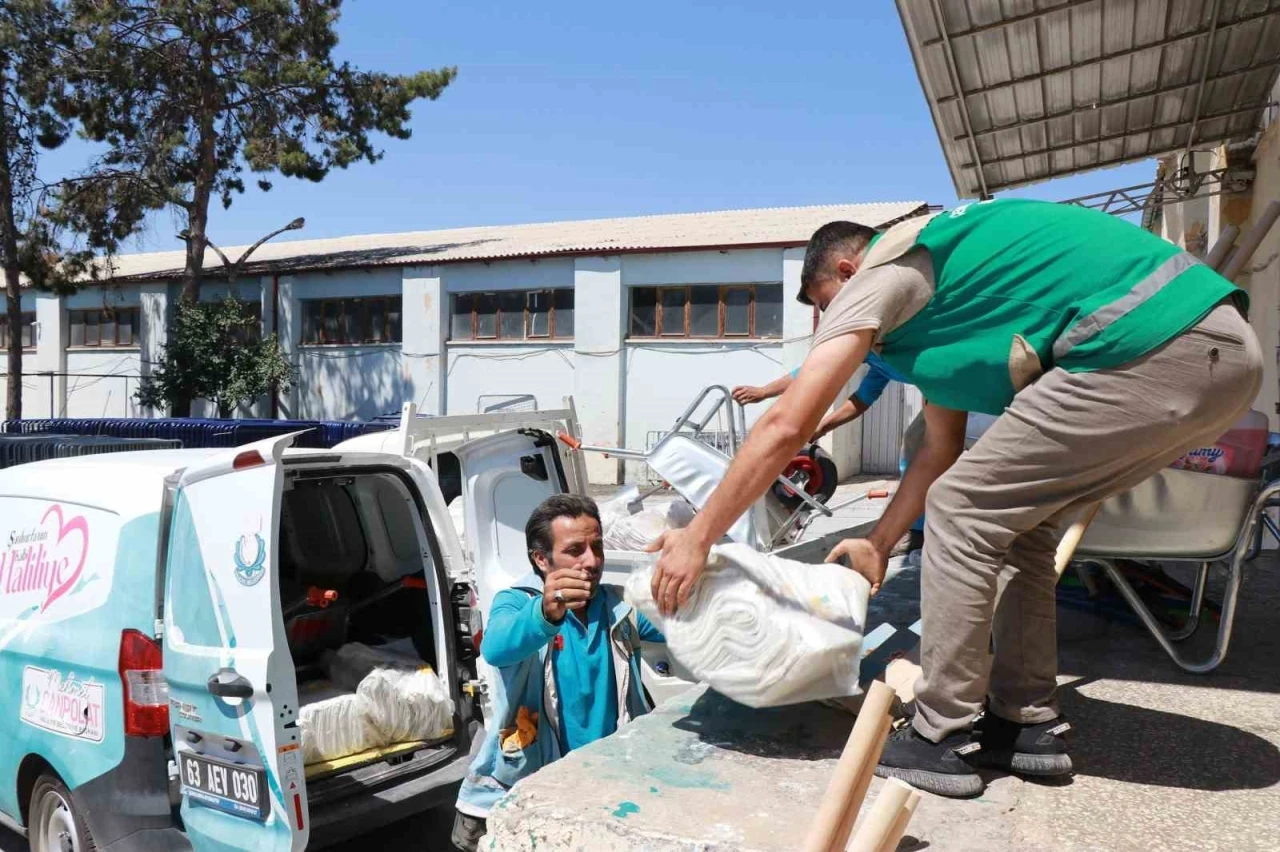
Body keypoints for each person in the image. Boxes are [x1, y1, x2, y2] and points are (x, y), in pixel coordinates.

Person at [648, 198, 1261, 798]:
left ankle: (941, 731)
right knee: (1022, 526)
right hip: (1220, 357)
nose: (832, 324)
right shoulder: (944, 308)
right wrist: (878, 542)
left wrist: (698, 537)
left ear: (847, 271)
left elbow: (787, 424)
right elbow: (936, 450)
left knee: (960, 509)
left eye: (828, 306)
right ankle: (1025, 723)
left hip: (1149, 346)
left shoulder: (886, 270)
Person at [452, 495, 664, 849]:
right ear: (541, 559)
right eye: (575, 550)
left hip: (603, 786)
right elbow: (496, 647)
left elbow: (678, 626)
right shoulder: (518, 602)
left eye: (597, 547)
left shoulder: (619, 605)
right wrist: (545, 614)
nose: (592, 561)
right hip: (526, 788)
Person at [733, 357, 926, 556]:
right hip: (938, 394)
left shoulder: (875, 345)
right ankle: (917, 527)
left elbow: (815, 370)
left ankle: (917, 531)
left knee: (919, 446)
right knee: (915, 445)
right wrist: (821, 428)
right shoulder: (877, 362)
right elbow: (860, 400)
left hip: (946, 393)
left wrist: (764, 392)